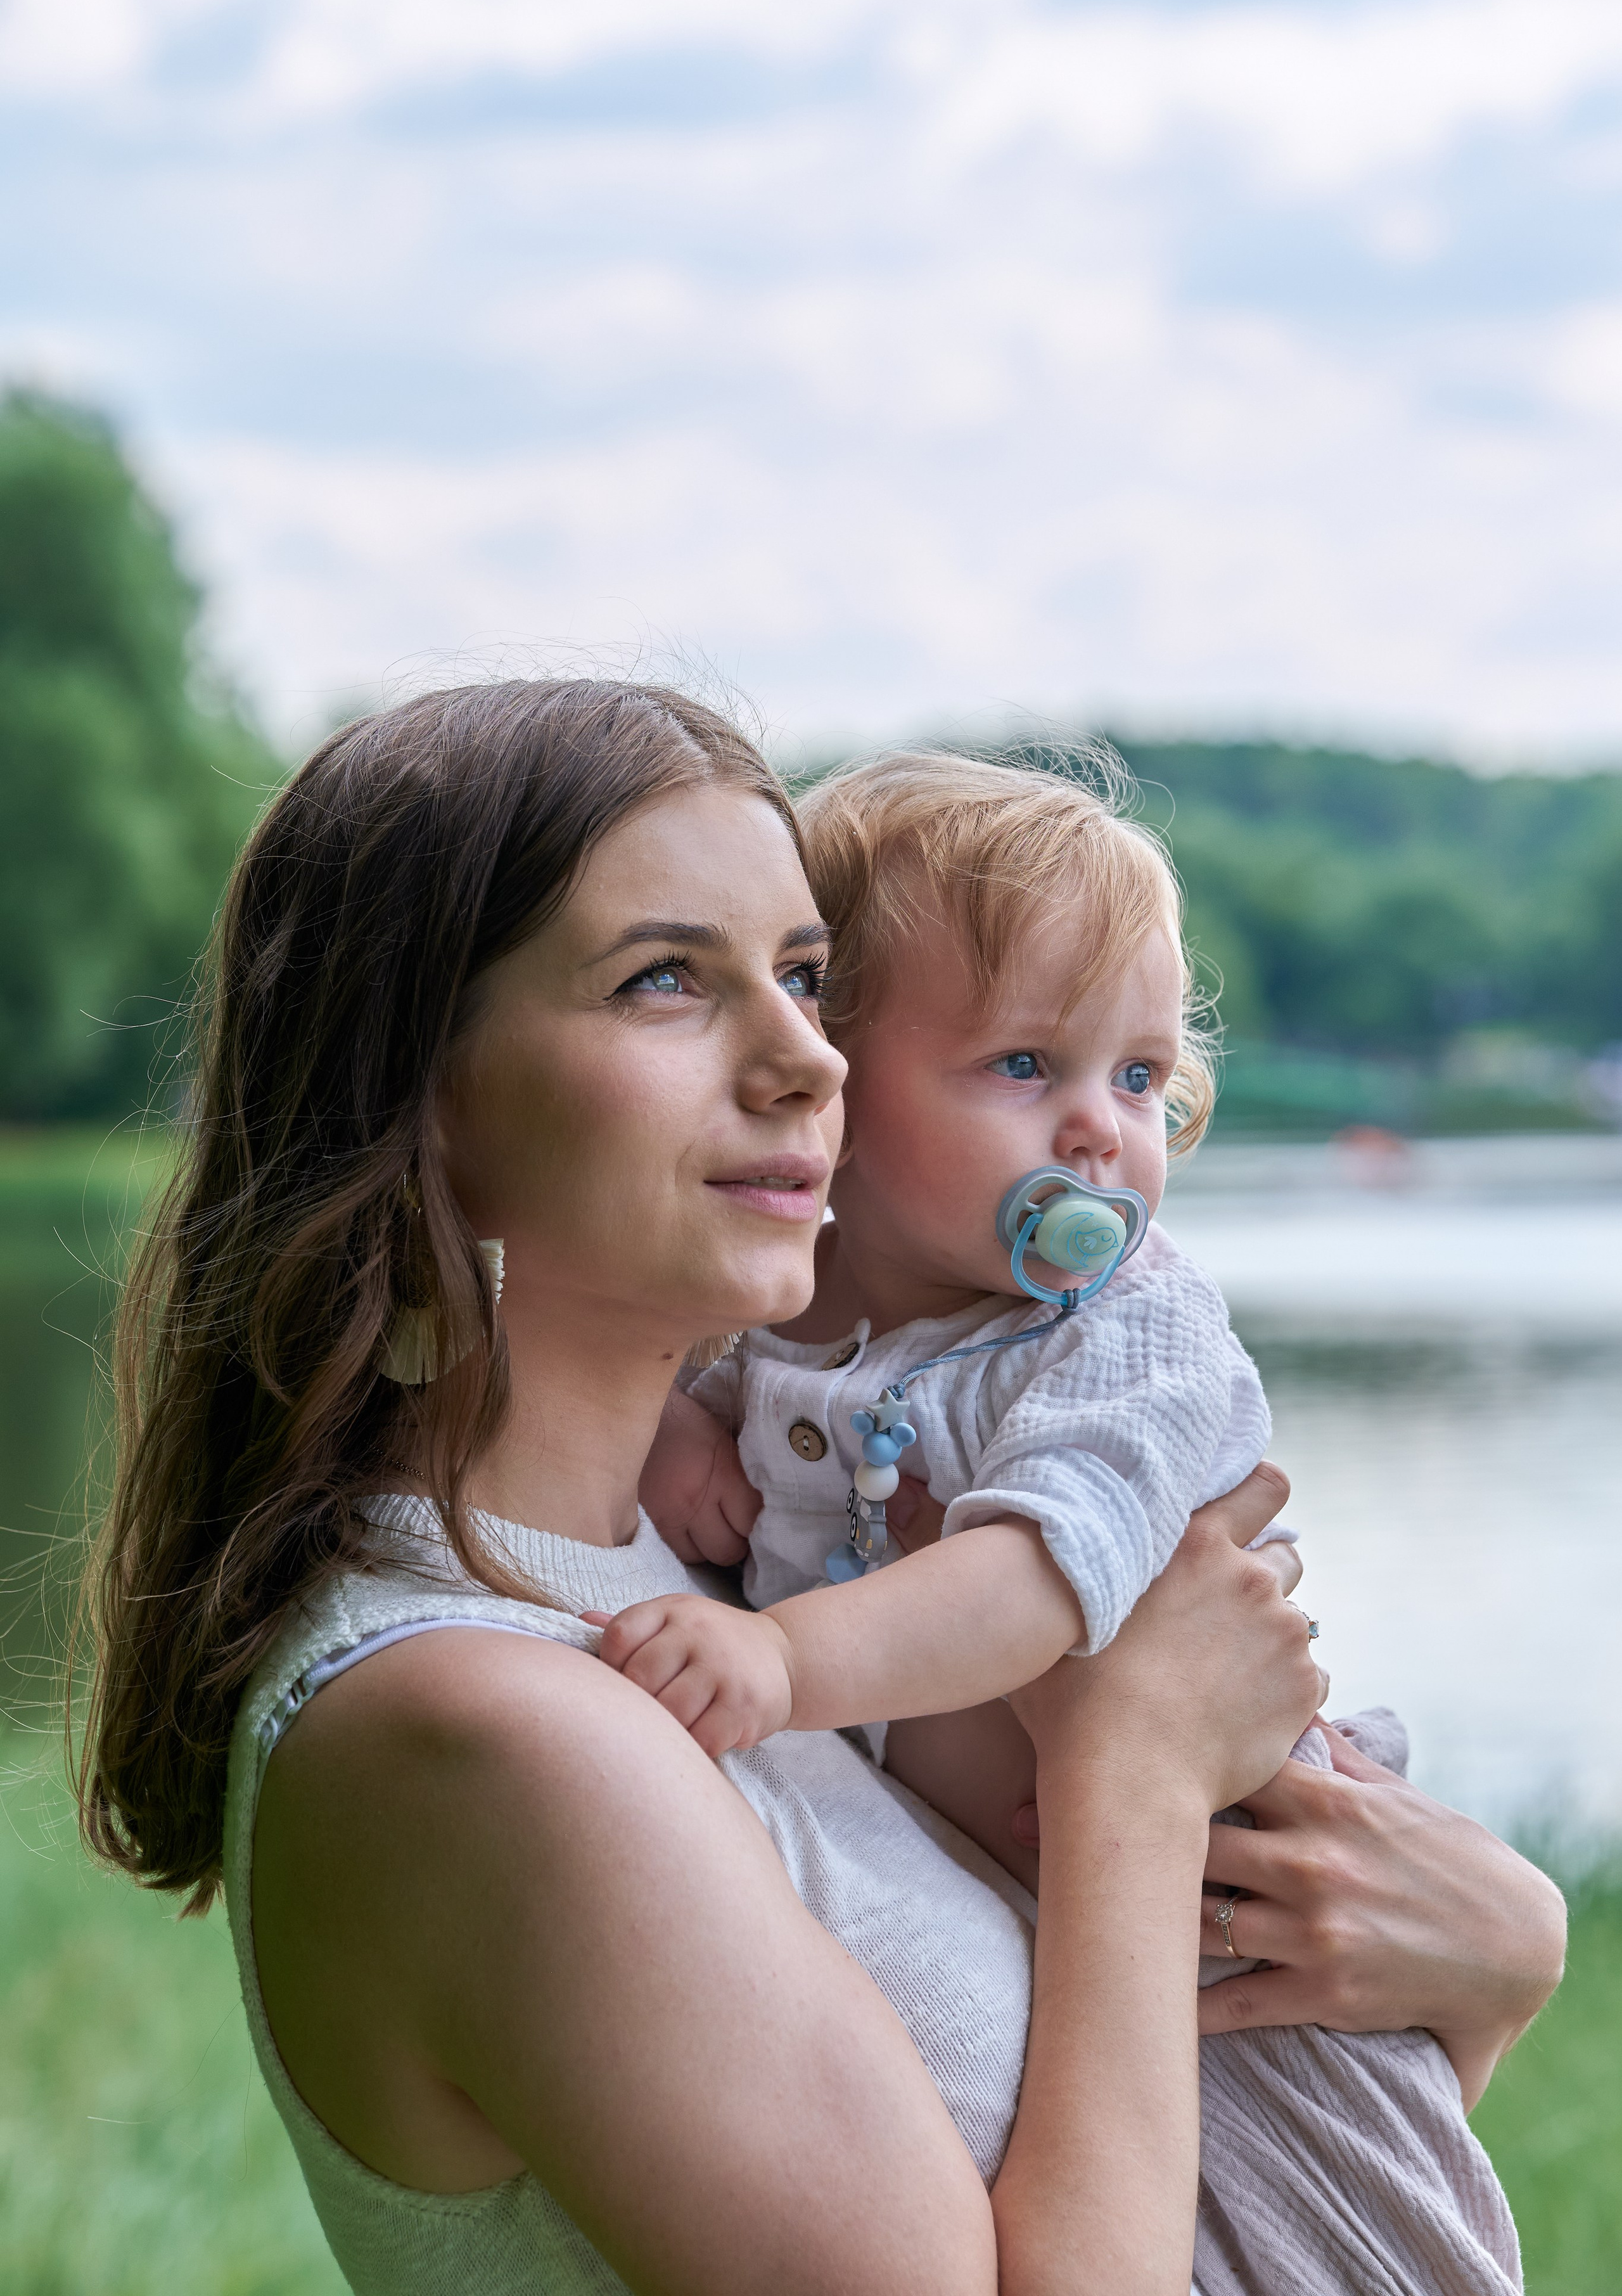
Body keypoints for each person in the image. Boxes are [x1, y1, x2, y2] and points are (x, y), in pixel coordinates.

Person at [77, 679, 1564, 2296]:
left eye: (802, 978)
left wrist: (1488, 1962)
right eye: (663, 980)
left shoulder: (720, 1566)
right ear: (422, 1097)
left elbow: (1192, 2175)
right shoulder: (488, 1732)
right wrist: (1130, 1763)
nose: (809, 1060)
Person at [603, 748, 1524, 2289]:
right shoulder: (771, 1321)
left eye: (1141, 1076)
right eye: (1024, 1066)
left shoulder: (1126, 1335)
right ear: (832, 1072)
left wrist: (776, 1666)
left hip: (1245, 1954)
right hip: (1079, 1938)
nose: (1100, 1128)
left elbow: (1036, 1582)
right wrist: (675, 1419)